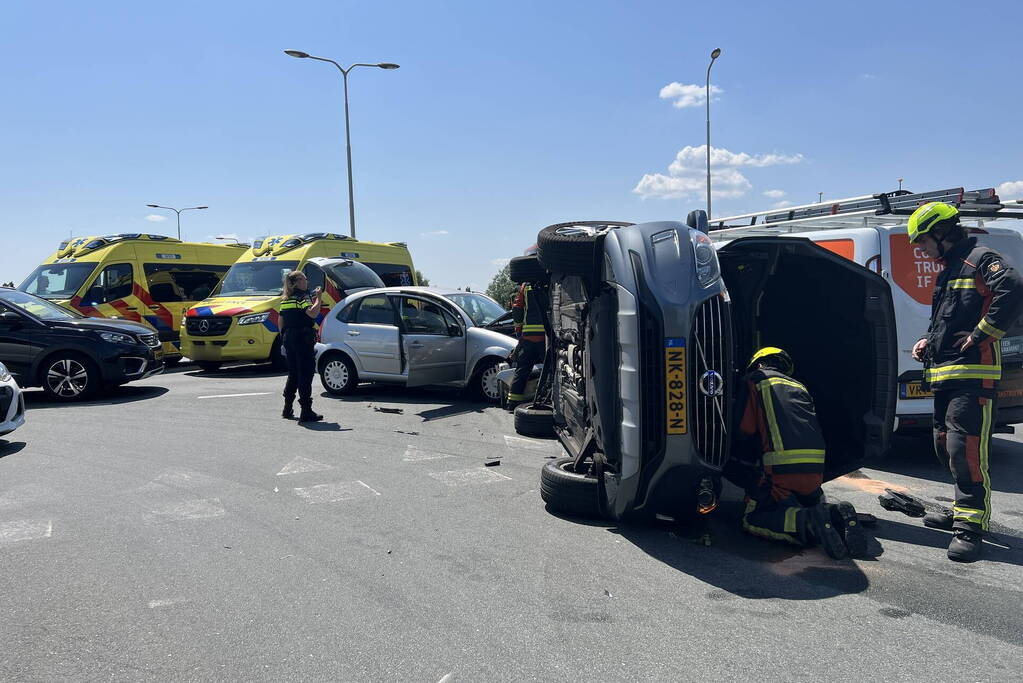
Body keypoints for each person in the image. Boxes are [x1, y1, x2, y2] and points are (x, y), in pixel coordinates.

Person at [908, 202, 1023, 562]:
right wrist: (928, 339)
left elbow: (1014, 286)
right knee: (943, 446)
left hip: (973, 377)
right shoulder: (950, 269)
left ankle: (970, 529)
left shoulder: (980, 257)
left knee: (964, 450)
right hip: (945, 375)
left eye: (922, 240)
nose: (920, 249)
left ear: (942, 232)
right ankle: (960, 511)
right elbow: (947, 317)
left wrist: (981, 335)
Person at [723, 347, 864, 559]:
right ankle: (834, 515)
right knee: (791, 503)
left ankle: (808, 523)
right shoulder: (799, 386)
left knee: (753, 518)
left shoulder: (755, 380)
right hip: (816, 475)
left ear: (758, 364)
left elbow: (744, 429)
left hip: (782, 472)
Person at [279, 270, 323, 424]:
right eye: (304, 279)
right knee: (305, 373)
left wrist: (283, 338)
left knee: (293, 374)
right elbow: (312, 313)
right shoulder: (302, 297)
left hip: (289, 338)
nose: (307, 281)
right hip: (303, 338)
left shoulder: (286, 299)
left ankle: (287, 408)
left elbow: (280, 320)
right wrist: (318, 298)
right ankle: (306, 411)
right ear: (296, 282)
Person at [507, 282, 546, 410]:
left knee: (522, 369)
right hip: (546, 336)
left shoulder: (525, 286)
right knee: (550, 370)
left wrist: (519, 331)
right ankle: (546, 399)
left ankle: (513, 402)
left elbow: (517, 309)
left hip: (528, 335)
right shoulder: (550, 279)